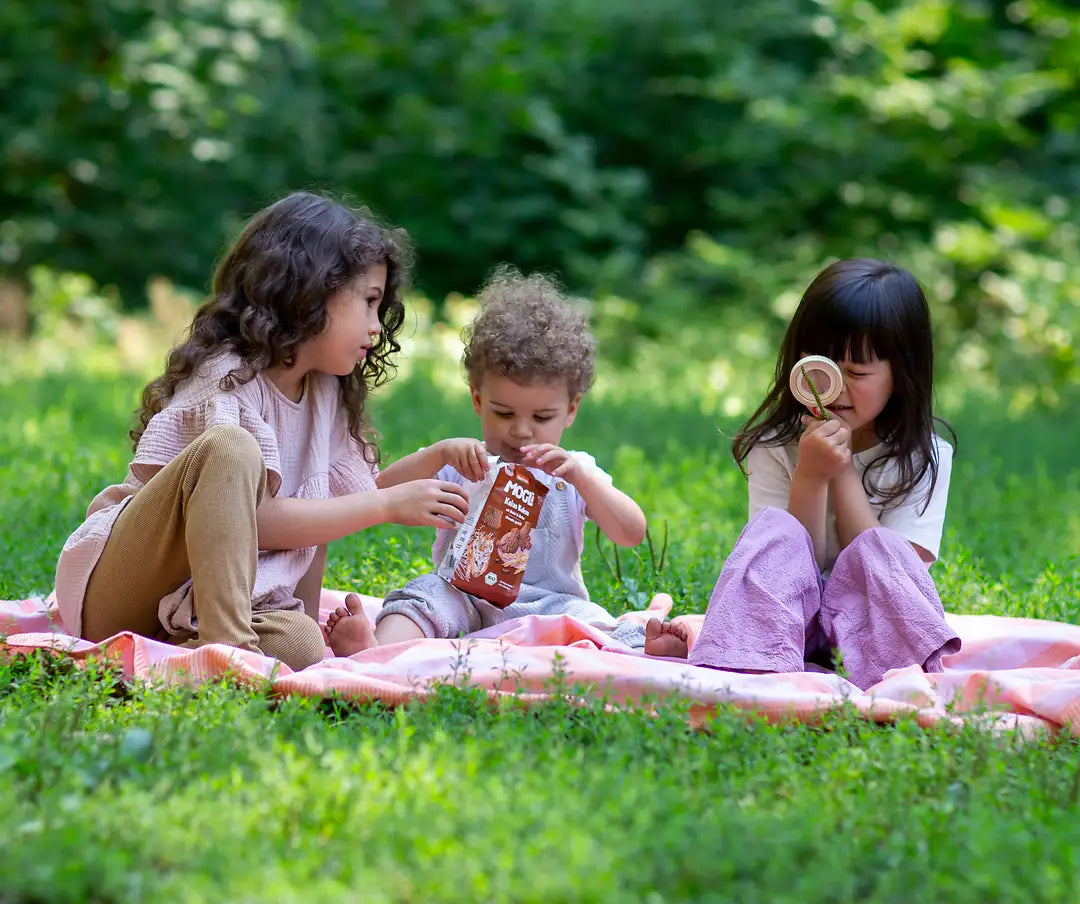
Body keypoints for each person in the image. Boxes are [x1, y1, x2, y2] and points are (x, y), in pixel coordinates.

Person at [53, 192, 471, 672]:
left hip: (200, 609)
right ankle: (227, 661)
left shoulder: (326, 396)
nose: (377, 327)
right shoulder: (228, 374)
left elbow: (318, 519)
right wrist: (384, 506)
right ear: (310, 291)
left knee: (302, 647)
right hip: (123, 591)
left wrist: (309, 622)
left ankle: (189, 658)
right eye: (369, 302)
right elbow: (258, 518)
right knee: (232, 448)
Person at [644, 258, 961, 689]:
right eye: (818, 369)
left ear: (901, 375)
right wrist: (810, 477)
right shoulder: (774, 446)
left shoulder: (925, 459)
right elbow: (785, 564)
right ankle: (747, 662)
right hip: (786, 623)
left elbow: (890, 582)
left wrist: (841, 470)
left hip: (873, 631)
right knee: (774, 537)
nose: (832, 386)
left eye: (856, 372)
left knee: (886, 552)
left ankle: (876, 674)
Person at [325, 267, 648, 654]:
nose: (522, 431)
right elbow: (376, 490)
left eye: (542, 417)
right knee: (422, 597)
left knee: (592, 624)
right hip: (459, 593)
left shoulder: (572, 472)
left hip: (546, 604)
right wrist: (436, 454)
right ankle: (371, 650)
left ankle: (648, 648)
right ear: (478, 401)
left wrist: (583, 480)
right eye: (504, 413)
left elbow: (631, 533)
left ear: (571, 410)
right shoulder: (467, 460)